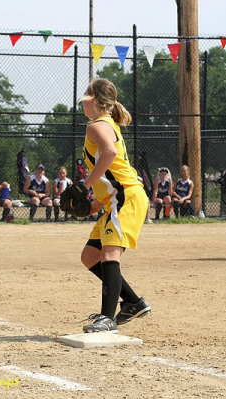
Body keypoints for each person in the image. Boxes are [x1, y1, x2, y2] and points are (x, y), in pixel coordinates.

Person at [77, 78, 151, 333]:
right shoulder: (107, 124)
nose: (83, 100)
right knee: (90, 256)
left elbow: (109, 154)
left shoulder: (96, 125)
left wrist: (85, 185)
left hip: (126, 198)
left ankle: (107, 318)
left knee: (109, 254)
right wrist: (96, 203)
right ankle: (132, 302)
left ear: (94, 100)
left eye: (87, 95)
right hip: (116, 200)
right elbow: (113, 174)